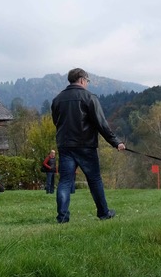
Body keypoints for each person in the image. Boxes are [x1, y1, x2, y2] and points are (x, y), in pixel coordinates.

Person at [50, 68, 126, 223]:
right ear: (82, 79)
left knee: (65, 181)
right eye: (87, 81)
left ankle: (62, 217)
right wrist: (116, 142)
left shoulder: (57, 99)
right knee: (94, 180)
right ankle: (103, 213)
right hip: (85, 146)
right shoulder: (89, 97)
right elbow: (101, 124)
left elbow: (56, 122)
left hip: (65, 145)